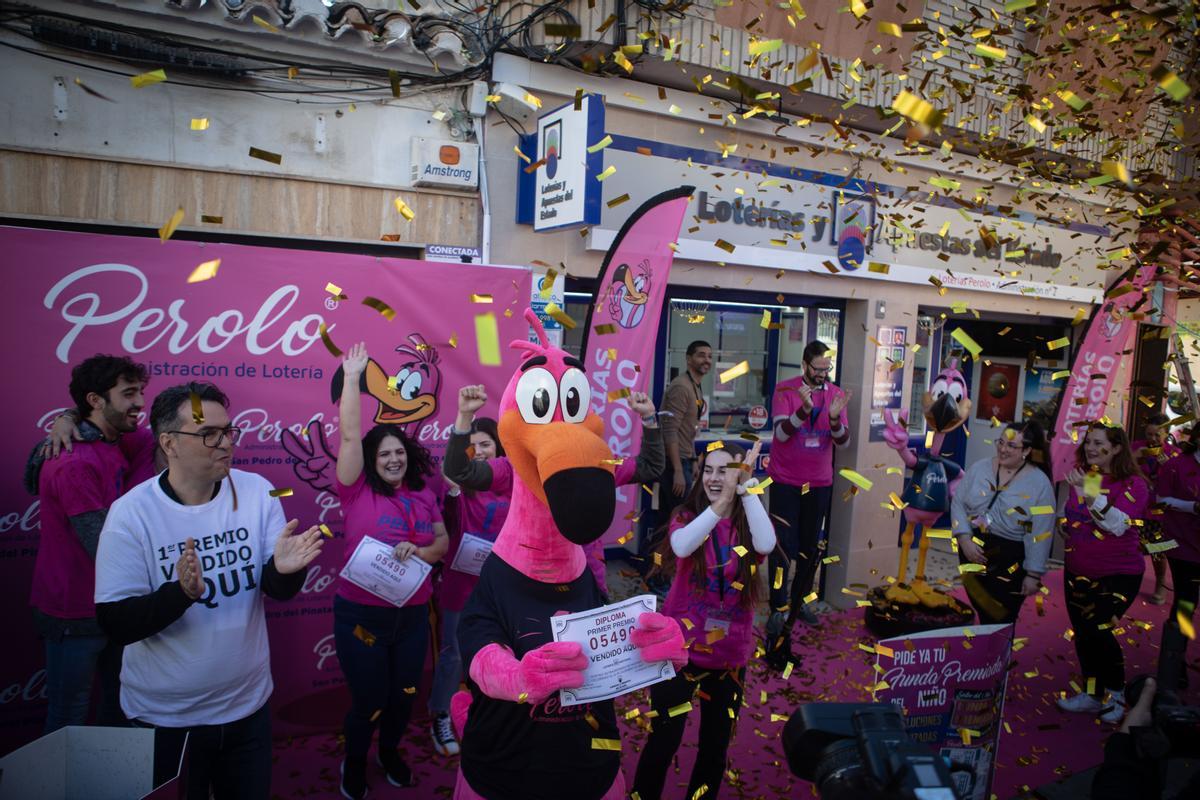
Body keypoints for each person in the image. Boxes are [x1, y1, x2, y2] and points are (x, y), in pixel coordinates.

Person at [94, 381, 324, 800]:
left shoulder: (257, 492)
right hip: (165, 719)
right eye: (209, 434)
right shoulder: (131, 514)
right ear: (169, 443)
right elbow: (116, 623)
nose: (226, 443)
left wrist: (285, 571)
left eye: (228, 431)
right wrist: (180, 594)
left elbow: (276, 589)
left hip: (248, 708)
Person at [435, 383, 664, 755]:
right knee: (525, 671)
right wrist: (464, 417)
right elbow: (460, 470)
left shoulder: (596, 464)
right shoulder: (516, 468)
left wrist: (650, 420)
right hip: (523, 591)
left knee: (581, 671)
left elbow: (651, 466)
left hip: (584, 585)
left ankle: (571, 742)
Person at [333, 342, 449, 800]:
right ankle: (355, 761)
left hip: (412, 619)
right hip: (362, 620)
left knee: (404, 695)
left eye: (398, 452)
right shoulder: (355, 490)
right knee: (368, 701)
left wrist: (419, 552)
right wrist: (352, 379)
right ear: (371, 460)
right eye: (384, 455)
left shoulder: (423, 494)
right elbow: (349, 437)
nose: (393, 460)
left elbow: (441, 544)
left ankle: (390, 752)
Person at [632, 441, 775, 800]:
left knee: (714, 748)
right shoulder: (686, 516)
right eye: (708, 470)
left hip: (728, 658)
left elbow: (767, 543)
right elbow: (681, 546)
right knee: (663, 741)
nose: (713, 478)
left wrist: (746, 490)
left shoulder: (746, 522)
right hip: (680, 654)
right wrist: (721, 503)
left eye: (724, 471)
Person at [28, 354, 155, 733]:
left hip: (113, 606)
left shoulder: (117, 439)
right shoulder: (73, 462)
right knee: (69, 719)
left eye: (140, 391)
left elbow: (165, 429)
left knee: (119, 708)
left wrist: (68, 416)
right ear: (96, 400)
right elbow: (103, 547)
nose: (140, 402)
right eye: (128, 393)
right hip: (74, 615)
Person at [1057, 424, 1151, 724]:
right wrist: (1065, 524)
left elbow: (1117, 525)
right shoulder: (1088, 476)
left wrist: (1087, 492)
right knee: (1084, 634)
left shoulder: (1134, 484)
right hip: (1077, 570)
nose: (1091, 448)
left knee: (1100, 631)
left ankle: (1116, 694)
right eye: (1088, 442)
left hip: (1117, 574)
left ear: (1118, 448)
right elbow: (1077, 514)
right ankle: (1092, 694)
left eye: (1099, 443)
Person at [766, 340, 851, 633]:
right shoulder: (785, 390)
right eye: (817, 368)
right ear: (804, 364)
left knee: (808, 547)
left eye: (827, 368)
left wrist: (835, 419)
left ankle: (799, 600)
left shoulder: (836, 394)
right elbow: (780, 434)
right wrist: (803, 411)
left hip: (818, 483)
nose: (822, 374)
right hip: (785, 481)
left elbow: (844, 442)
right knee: (781, 547)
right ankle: (777, 606)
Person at [952, 421, 1055, 624]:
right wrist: (964, 538)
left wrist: (1033, 574)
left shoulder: (1040, 484)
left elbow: (1040, 533)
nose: (1003, 449)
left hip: (1010, 562)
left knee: (1001, 617)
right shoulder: (979, 468)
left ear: (1027, 451)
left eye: (1011, 446)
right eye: (1001, 442)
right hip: (971, 552)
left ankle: (999, 646)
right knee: (982, 610)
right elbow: (958, 503)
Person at [655, 340, 712, 545]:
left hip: (685, 460)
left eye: (709, 356)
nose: (707, 360)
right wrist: (678, 470)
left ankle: (662, 562)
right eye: (701, 355)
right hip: (674, 464)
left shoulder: (694, 385)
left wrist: (694, 458)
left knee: (672, 519)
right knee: (676, 520)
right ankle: (663, 562)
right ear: (689, 359)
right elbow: (669, 430)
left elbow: (689, 428)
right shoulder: (681, 387)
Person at [1155, 422, 1200, 680]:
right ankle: (1175, 660)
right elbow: (1161, 499)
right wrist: (1192, 507)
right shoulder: (1176, 465)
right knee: (1186, 602)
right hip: (1183, 543)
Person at [1133, 412, 1181, 604]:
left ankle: (1160, 583)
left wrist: (1168, 467)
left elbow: (1181, 484)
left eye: (1157, 435)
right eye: (1149, 434)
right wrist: (1136, 462)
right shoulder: (1137, 448)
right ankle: (1127, 581)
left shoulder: (1175, 454)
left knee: (1158, 550)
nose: (1152, 439)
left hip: (1159, 512)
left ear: (1166, 434)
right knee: (1131, 545)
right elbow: (1124, 469)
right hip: (1136, 507)